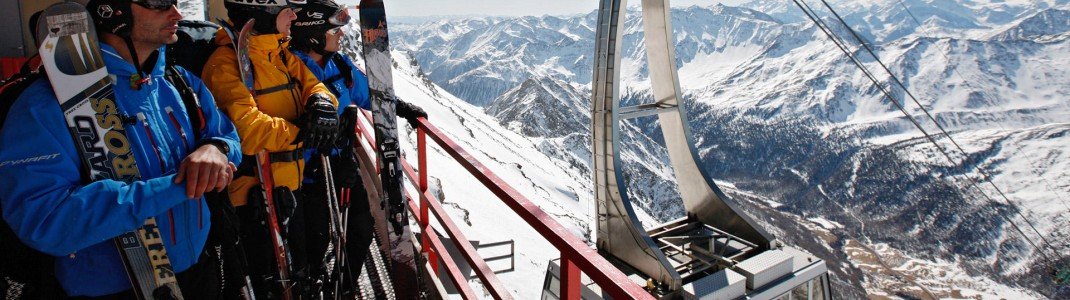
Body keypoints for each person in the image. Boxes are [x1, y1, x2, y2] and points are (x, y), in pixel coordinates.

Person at [0, 0, 243, 298]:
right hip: (110, 287)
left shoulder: (179, 83)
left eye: (177, 2)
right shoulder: (43, 106)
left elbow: (227, 137)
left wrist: (216, 150)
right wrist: (180, 185)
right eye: (159, 3)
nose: (177, 13)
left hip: (197, 272)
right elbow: (45, 219)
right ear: (113, 10)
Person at [200, 0, 340, 297]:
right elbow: (247, 131)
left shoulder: (279, 54)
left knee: (297, 275)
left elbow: (314, 85)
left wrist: (322, 103)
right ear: (261, 12)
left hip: (289, 187)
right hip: (253, 200)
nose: (293, 15)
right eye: (285, 8)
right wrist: (305, 133)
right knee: (269, 284)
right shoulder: (225, 64)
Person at [287, 0, 427, 290]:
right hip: (306, 173)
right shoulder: (289, 69)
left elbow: (367, 94)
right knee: (315, 240)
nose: (341, 35)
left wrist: (400, 108)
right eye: (334, 29)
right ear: (313, 34)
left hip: (340, 163)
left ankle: (345, 285)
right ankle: (314, 282)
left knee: (361, 229)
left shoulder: (339, 64)